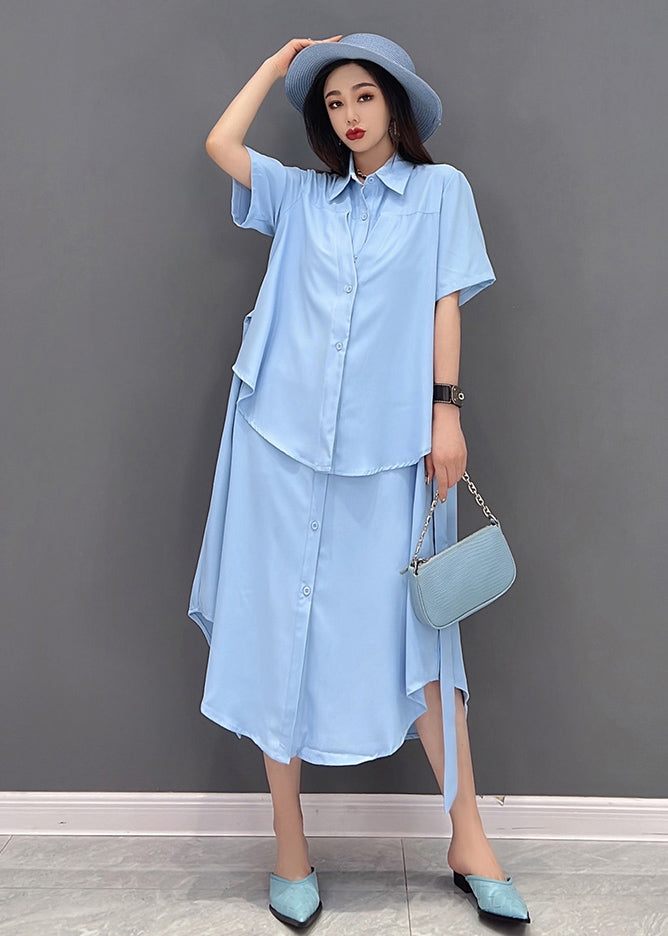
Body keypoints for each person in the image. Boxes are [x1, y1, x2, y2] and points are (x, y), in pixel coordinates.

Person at [189, 32, 531, 929]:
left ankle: (468, 840)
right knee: (279, 633)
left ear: (395, 105)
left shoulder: (442, 193)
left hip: (393, 451)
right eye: (333, 101)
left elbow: (445, 301)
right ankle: (289, 847)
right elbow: (221, 144)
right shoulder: (301, 197)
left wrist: (446, 412)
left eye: (364, 97)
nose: (348, 114)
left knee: (420, 639)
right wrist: (277, 67)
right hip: (279, 447)